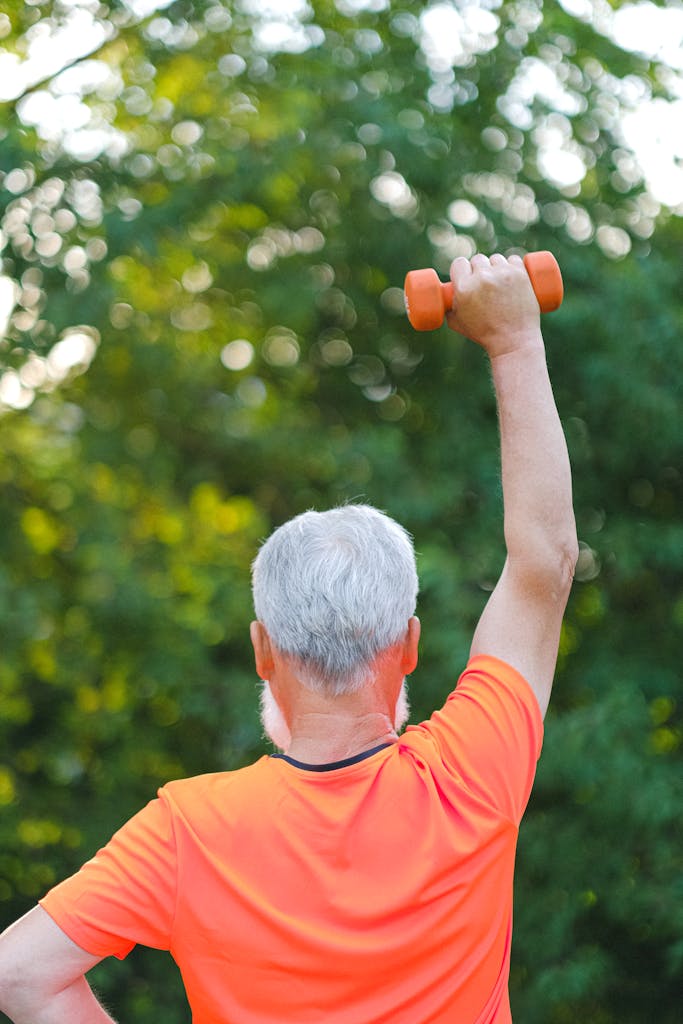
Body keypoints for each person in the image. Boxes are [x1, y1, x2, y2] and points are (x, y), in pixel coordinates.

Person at [0, 253, 578, 1024]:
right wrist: (513, 342)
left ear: (262, 650)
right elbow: (544, 561)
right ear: (407, 645)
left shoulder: (189, 831)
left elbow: (18, 977)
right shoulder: (470, 776)